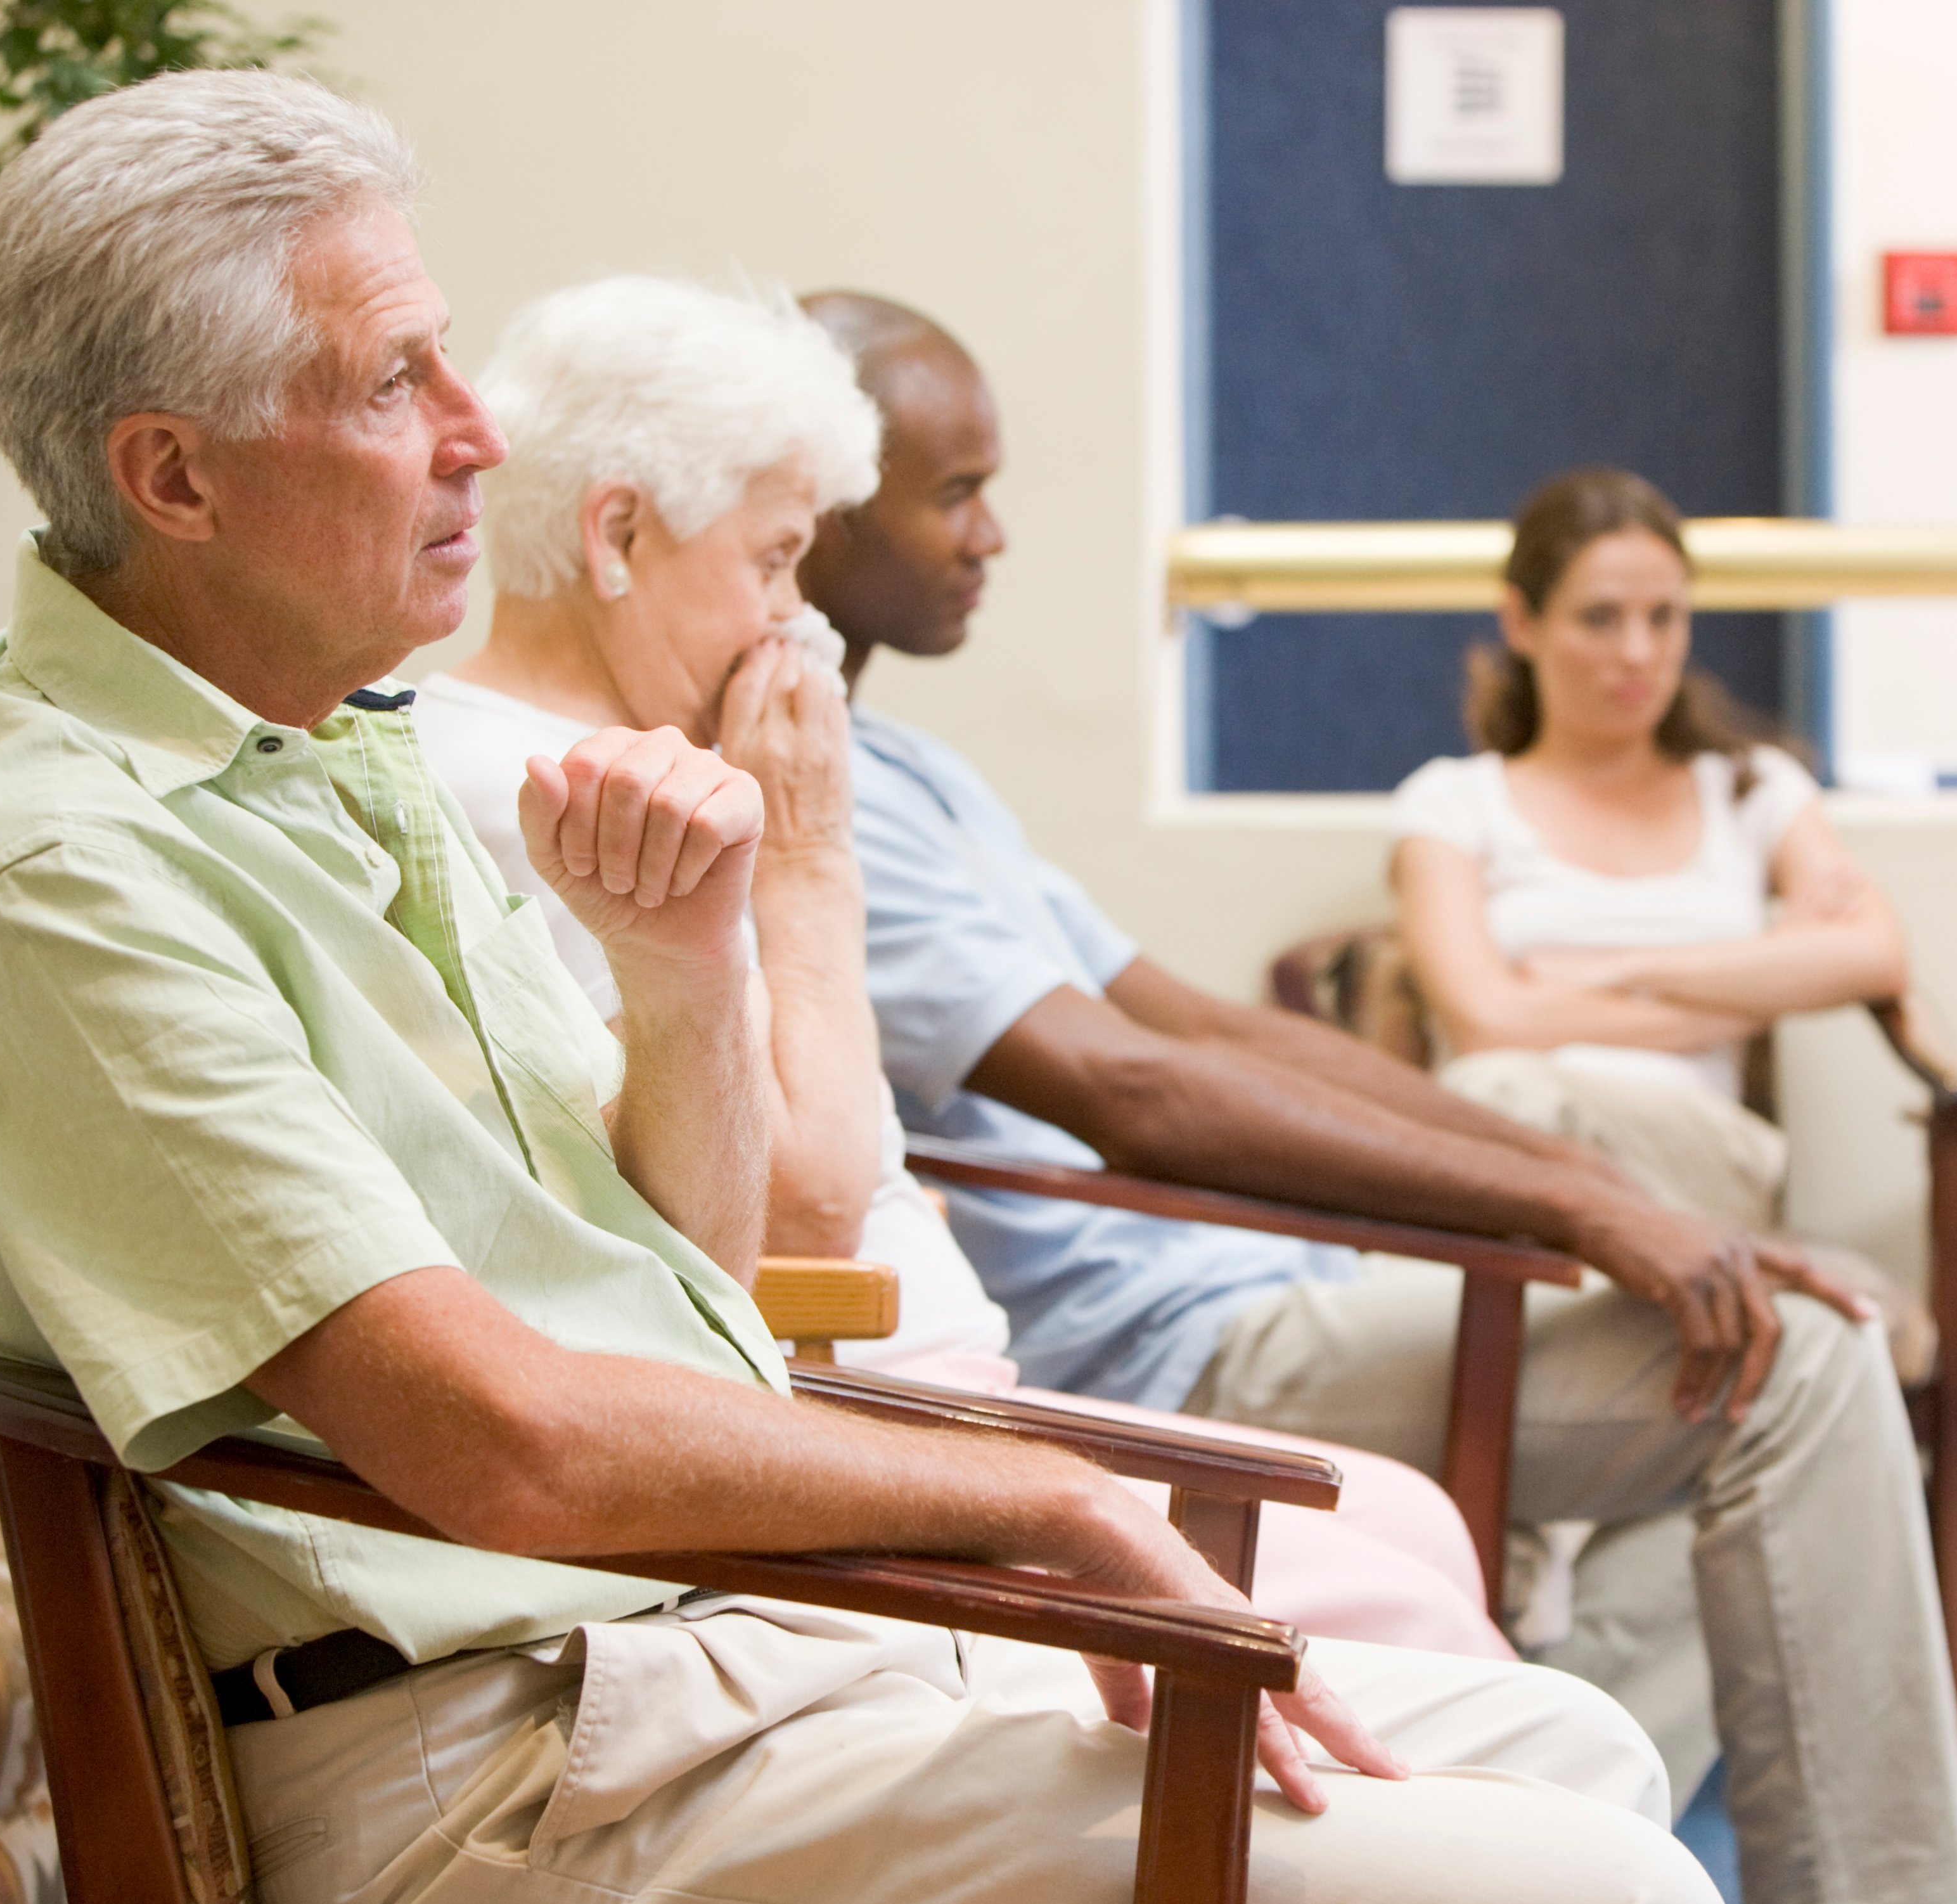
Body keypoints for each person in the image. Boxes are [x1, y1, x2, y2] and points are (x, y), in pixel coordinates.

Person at [0, 72, 1735, 1904]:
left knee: (1584, 1753)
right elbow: (506, 1443)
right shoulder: (74, 869)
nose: (476, 430)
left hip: (665, 1655)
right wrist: (1051, 1503)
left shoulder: (333, 740)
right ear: (171, 476)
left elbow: (685, 1285)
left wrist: (687, 965)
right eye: (389, 379)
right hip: (483, 1773)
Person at [805, 291, 1957, 1904]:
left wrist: (1577, 1185)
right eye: (955, 494)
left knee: (1765, 1335)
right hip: (1152, 1357)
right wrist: (1592, 1203)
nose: (996, 534)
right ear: (814, 501)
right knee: (1802, 1371)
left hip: (1245, 1297)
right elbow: (1127, 1086)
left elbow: (1188, 1015)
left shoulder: (911, 769)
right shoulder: (817, 789)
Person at [411, 272, 1505, 1661]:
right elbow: (808, 1212)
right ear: (618, 532)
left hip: (924, 1395)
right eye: (773, 561)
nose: (794, 624)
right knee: (1410, 1609)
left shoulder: (636, 760)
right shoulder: (565, 796)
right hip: (832, 1432)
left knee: (1410, 1524)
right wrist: (806, 851)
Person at [1390, 465, 1909, 1232]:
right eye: (1600, 618)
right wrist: (1756, 980)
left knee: (1504, 1098)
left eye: (1664, 617)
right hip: (1505, 1151)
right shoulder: (1451, 803)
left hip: (1697, 1157)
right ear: (1522, 623)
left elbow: (1874, 954)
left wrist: (1614, 970)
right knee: (1500, 1096)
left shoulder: (1753, 789)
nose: (1637, 652)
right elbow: (1491, 1024)